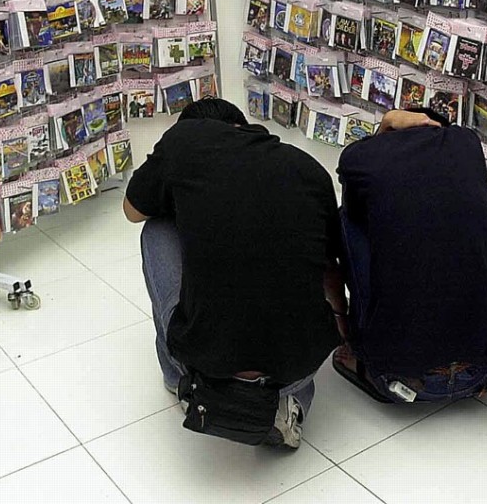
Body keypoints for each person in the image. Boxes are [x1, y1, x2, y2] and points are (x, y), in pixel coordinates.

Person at [123, 98, 341, 449]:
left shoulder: (185, 139)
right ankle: (290, 403)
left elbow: (133, 210)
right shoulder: (309, 167)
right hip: (300, 365)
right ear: (244, 126)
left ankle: (180, 380)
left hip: (209, 364)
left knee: (156, 229)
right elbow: (329, 265)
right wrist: (344, 326)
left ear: (191, 126)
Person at [332, 108, 487, 404]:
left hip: (398, 379)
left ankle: (359, 346)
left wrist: (387, 121)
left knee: (347, 218)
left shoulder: (360, 157)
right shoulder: (468, 143)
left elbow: (358, 196)